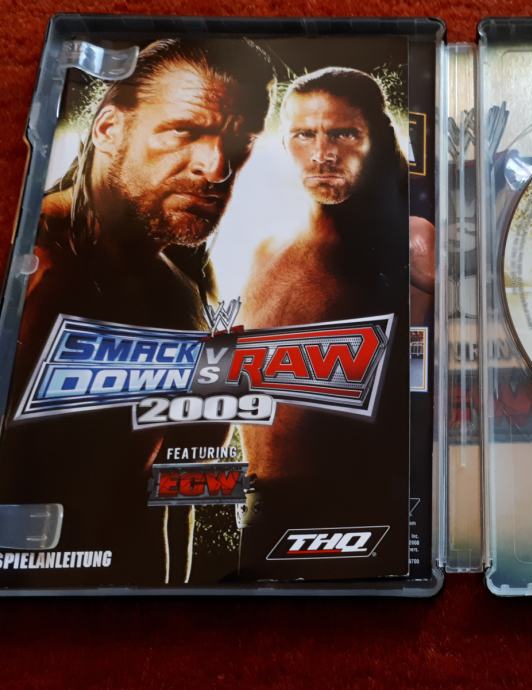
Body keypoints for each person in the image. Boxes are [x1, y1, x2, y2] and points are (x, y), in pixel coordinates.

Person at [0, 38, 273, 585]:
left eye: (239, 141)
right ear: (108, 130)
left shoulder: (184, 292)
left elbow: (176, 502)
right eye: (185, 131)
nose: (217, 167)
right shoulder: (39, 274)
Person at [237, 67, 424, 575]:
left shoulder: (413, 245)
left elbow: (428, 380)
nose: (322, 153)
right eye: (304, 135)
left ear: (376, 139)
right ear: (284, 143)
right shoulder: (265, 251)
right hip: (262, 510)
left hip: (367, 508)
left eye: (343, 133)